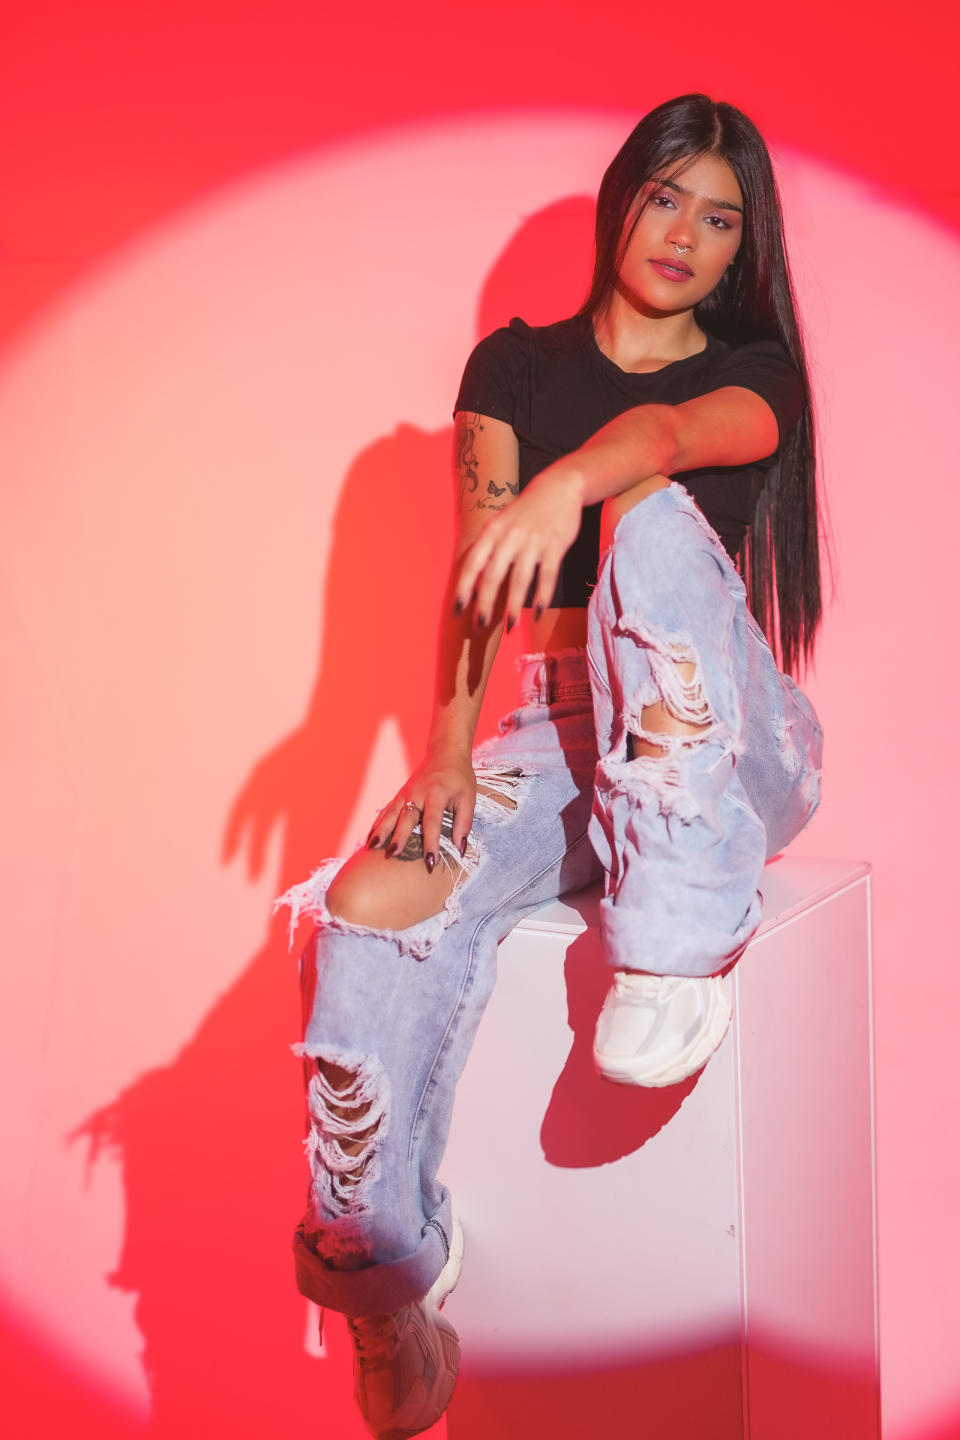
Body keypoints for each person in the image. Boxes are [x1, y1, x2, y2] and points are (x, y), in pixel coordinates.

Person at [278, 92, 824, 1439]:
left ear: (743, 248)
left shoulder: (755, 371)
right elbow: (480, 574)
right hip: (556, 731)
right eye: (665, 198)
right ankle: (383, 1277)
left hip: (727, 737)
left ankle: (676, 935)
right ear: (620, 197)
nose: (684, 235)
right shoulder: (512, 367)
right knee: (364, 911)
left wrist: (567, 485)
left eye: (720, 218)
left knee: (646, 515)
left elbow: (661, 445)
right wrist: (446, 754)